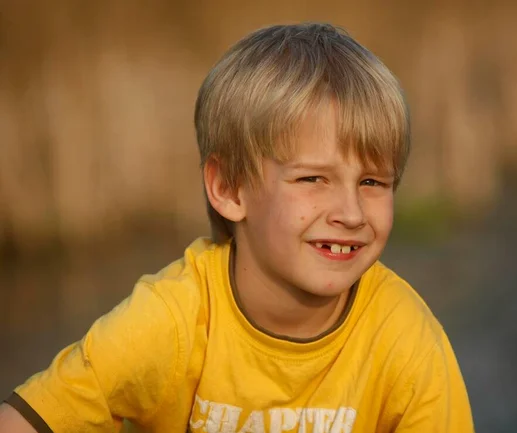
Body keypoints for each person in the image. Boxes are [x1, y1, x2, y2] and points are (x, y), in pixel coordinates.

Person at [0, 23, 473, 432]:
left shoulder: (407, 343)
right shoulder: (174, 320)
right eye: (313, 178)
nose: (350, 212)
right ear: (228, 188)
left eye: (372, 181)